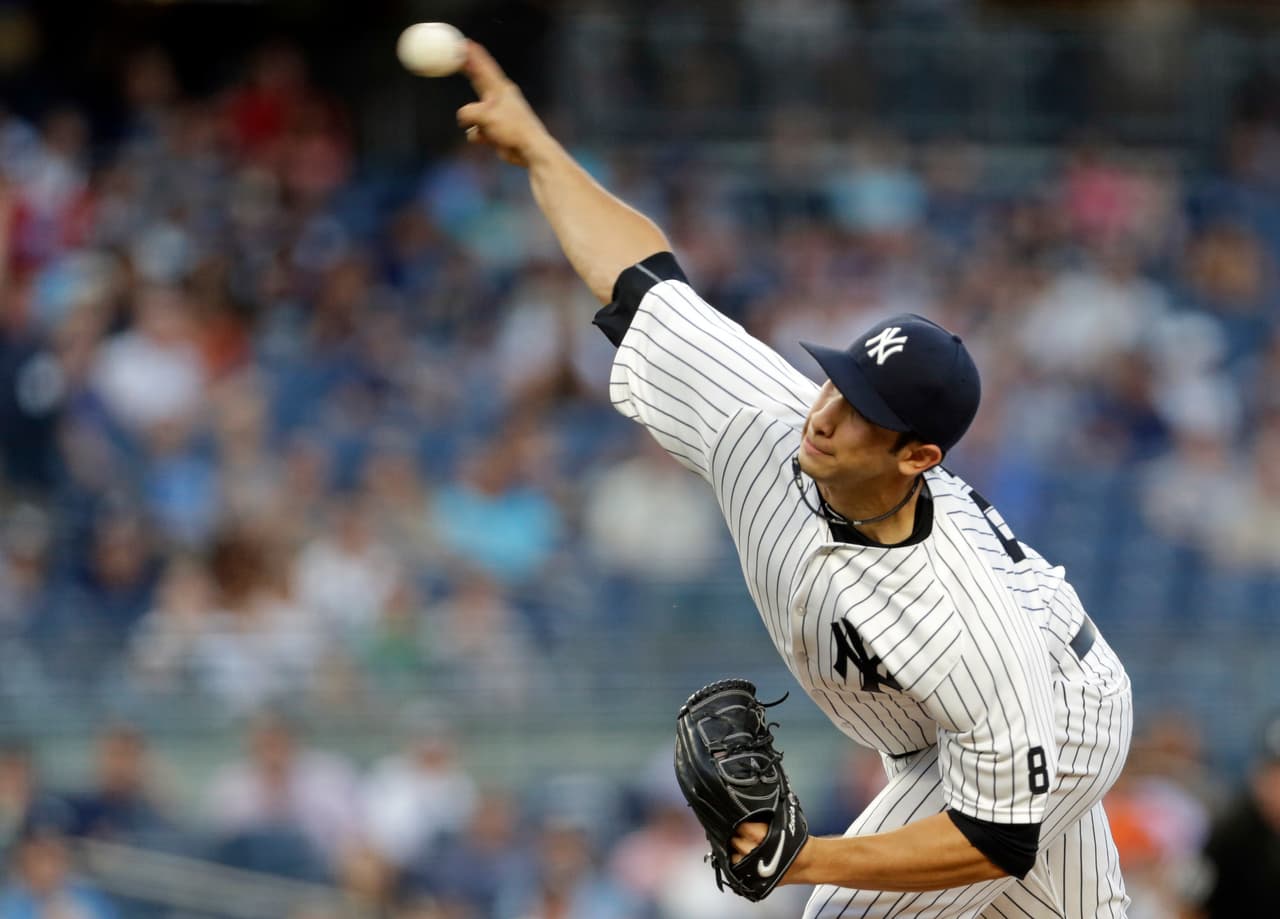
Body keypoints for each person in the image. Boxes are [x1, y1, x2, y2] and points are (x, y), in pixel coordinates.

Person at [455, 42, 1134, 918]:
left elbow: (993, 838)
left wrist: (801, 855)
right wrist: (543, 155)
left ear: (918, 456)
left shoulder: (961, 618)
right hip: (945, 734)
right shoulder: (766, 423)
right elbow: (644, 285)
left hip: (1058, 714)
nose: (826, 412)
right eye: (837, 381)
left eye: (863, 411)